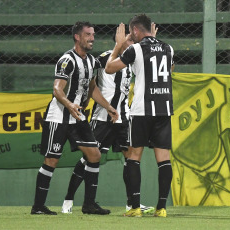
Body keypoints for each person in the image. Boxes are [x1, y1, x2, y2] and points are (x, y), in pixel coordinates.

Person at [61, 26, 158, 215]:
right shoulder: (105, 58)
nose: (133, 43)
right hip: (102, 117)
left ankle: (132, 204)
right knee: (89, 158)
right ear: (119, 40)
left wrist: (151, 41)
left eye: (134, 41)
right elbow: (86, 75)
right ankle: (69, 199)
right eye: (129, 40)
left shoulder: (133, 59)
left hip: (123, 117)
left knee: (130, 158)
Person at [30, 21, 118, 215]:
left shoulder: (91, 61)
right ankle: (38, 207)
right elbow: (57, 89)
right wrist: (69, 104)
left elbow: (92, 88)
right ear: (77, 37)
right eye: (88, 34)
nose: (92, 38)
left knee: (94, 155)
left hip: (77, 117)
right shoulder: (67, 60)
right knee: (51, 160)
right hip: (59, 116)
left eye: (93, 34)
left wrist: (109, 107)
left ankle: (89, 204)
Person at [105, 14, 174, 218]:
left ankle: (135, 207)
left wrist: (118, 46)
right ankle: (161, 208)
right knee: (164, 160)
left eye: (130, 32)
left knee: (134, 157)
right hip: (163, 109)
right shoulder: (168, 48)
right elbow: (169, 71)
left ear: (135, 30)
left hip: (142, 110)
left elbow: (109, 68)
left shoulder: (135, 49)